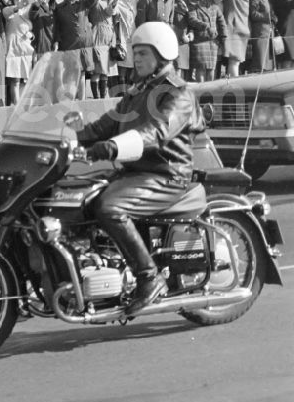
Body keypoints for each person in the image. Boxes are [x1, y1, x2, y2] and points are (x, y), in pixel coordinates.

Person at [74, 22, 204, 316]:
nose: (137, 59)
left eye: (143, 53)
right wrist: (62, 139)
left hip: (167, 175)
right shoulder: (137, 92)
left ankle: (149, 277)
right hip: (136, 173)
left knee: (109, 208)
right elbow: (102, 126)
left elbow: (156, 132)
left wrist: (112, 147)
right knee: (78, 196)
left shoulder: (178, 93)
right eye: (135, 53)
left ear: (162, 54)